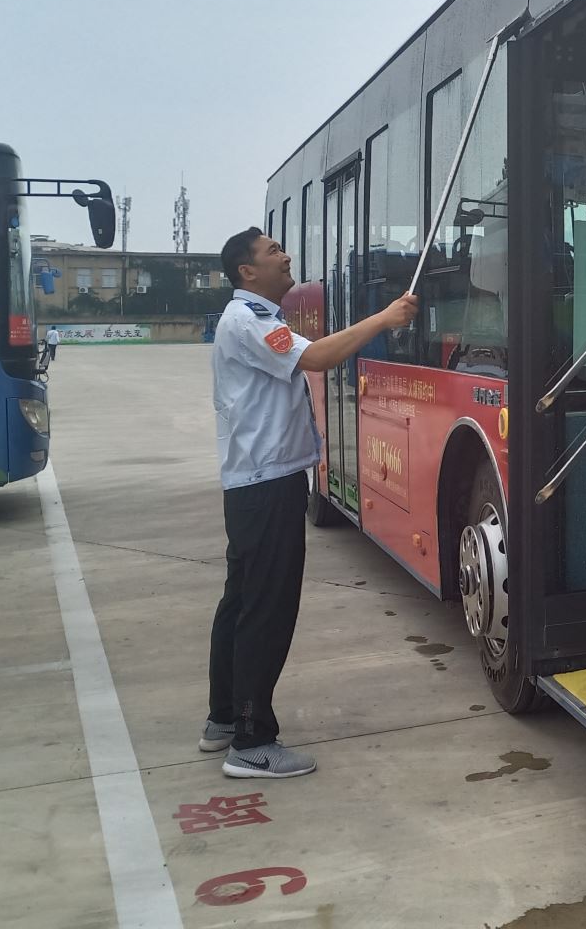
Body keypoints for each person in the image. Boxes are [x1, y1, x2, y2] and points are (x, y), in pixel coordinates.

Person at [203, 226, 418, 778]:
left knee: (241, 602)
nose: (285, 256)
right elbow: (318, 357)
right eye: (272, 251)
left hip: (256, 483)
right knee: (266, 611)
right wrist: (385, 318)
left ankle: (224, 718)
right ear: (246, 272)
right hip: (266, 485)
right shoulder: (250, 322)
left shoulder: (255, 320)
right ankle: (252, 742)